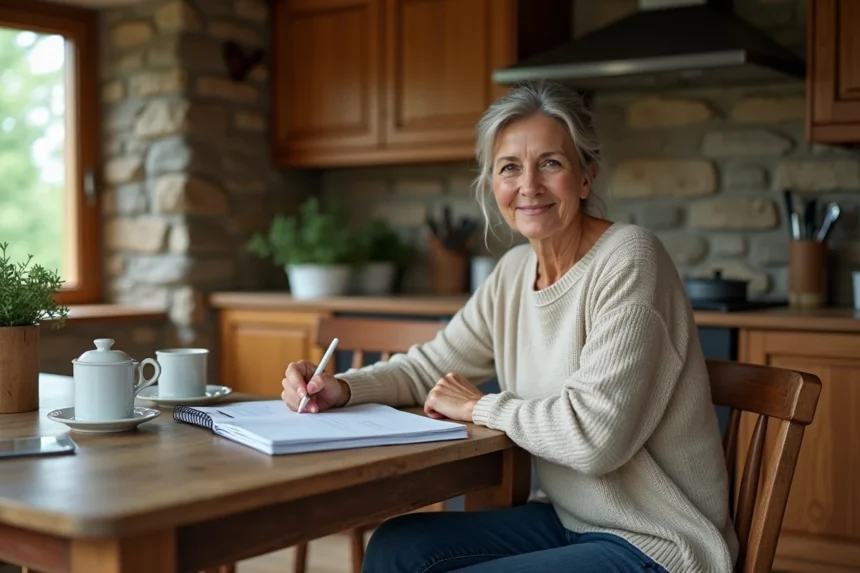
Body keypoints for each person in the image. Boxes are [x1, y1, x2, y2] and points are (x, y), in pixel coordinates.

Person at [280, 80, 739, 573]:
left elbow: (594, 438)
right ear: (492, 184)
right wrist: (342, 388)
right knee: (396, 546)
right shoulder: (514, 272)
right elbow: (430, 366)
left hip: (656, 540)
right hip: (569, 518)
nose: (529, 186)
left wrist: (479, 405)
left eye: (551, 163)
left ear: (586, 177)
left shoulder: (630, 259)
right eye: (509, 168)